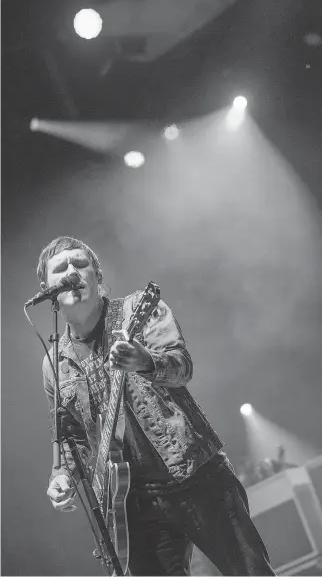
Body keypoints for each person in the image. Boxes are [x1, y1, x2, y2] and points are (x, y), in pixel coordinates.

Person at [39, 236, 275, 576]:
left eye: (80, 263)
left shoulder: (138, 308)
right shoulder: (54, 363)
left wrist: (145, 361)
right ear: (48, 289)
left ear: (97, 276)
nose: (71, 271)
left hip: (195, 475)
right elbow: (71, 438)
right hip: (132, 505)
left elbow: (182, 365)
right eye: (60, 268)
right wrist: (62, 475)